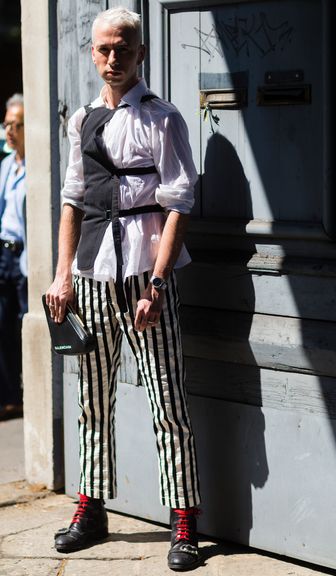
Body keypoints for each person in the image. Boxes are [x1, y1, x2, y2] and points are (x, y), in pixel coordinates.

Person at [46, 7, 201, 571]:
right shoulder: (81, 119)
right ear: (92, 53)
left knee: (168, 399)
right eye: (105, 49)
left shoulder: (162, 118)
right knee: (92, 401)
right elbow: (72, 199)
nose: (113, 59)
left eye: (124, 50)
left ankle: (183, 518)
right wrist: (63, 275)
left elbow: (180, 199)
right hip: (90, 275)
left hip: (143, 277)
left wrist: (158, 283)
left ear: (141, 55)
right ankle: (91, 507)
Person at [0, 94, 27, 421]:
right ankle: (10, 397)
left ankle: (27, 392)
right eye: (6, 124)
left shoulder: (36, 168)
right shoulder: (6, 165)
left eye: (15, 124)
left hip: (25, 258)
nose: (9, 131)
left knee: (23, 324)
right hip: (3, 254)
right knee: (2, 326)